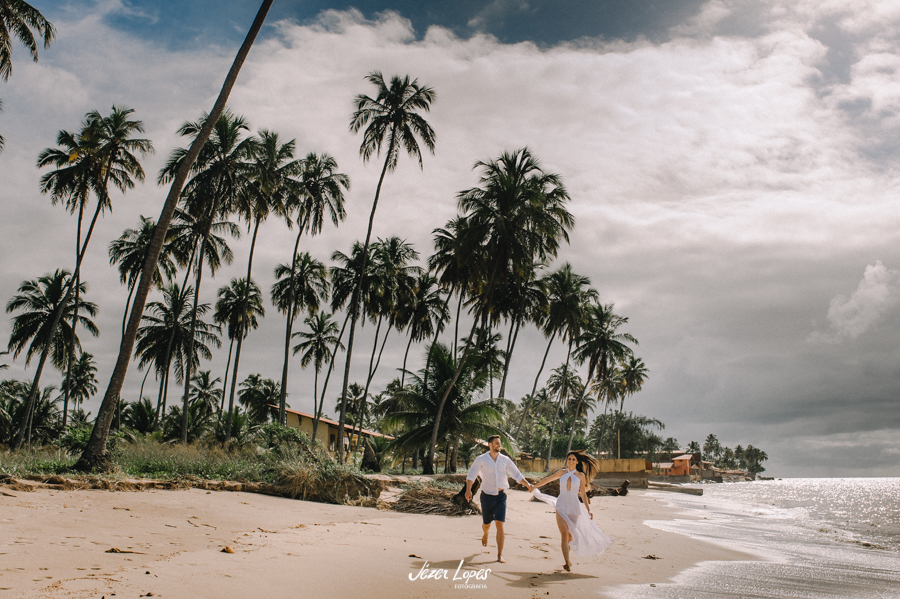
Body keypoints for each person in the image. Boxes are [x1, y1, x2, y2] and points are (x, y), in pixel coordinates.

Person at [531, 450, 613, 571]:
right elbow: (548, 479)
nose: (571, 461)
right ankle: (567, 563)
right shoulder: (562, 473)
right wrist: (535, 486)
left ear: (577, 462)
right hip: (561, 505)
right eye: (569, 459)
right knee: (564, 535)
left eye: (573, 459)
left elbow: (583, 494)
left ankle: (568, 558)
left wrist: (589, 510)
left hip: (574, 507)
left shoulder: (580, 476)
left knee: (570, 537)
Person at [465, 435, 533, 563]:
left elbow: (516, 474)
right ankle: (485, 533)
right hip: (486, 497)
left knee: (500, 525)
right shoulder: (481, 459)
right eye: (496, 443)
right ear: (490, 445)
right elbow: (471, 475)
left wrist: (528, 484)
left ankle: (499, 555)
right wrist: (468, 490)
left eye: (499, 443)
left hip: (501, 497)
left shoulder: (505, 460)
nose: (499, 445)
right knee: (486, 524)